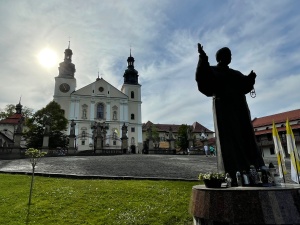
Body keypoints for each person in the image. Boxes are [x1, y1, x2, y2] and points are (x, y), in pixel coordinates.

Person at [195, 43, 265, 185]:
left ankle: (252, 168)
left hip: (239, 109)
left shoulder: (235, 73)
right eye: (228, 55)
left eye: (230, 55)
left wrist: (251, 79)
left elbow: (245, 85)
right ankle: (232, 171)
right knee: (228, 138)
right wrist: (203, 58)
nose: (230, 57)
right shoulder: (213, 70)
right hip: (224, 109)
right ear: (221, 57)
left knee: (245, 135)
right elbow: (202, 77)